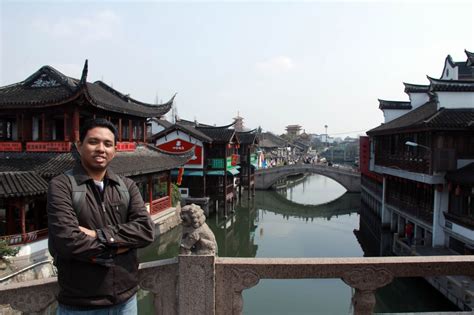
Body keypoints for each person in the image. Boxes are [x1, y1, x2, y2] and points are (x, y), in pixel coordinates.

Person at [47, 118, 154, 314]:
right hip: (80, 304)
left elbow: (146, 230)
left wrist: (99, 235)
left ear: (115, 150)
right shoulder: (62, 185)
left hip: (126, 299)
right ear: (79, 146)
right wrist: (121, 248)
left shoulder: (126, 186)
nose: (101, 149)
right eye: (93, 142)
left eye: (108, 144)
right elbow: (68, 240)